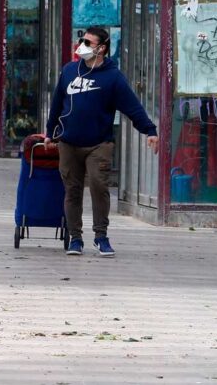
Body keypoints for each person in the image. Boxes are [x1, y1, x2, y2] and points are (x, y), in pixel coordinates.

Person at [43, 26, 158, 257]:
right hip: (68, 142)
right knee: (72, 190)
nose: (82, 45)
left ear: (102, 48)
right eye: (82, 40)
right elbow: (57, 104)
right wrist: (50, 132)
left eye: (88, 42)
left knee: (98, 185)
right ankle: (75, 238)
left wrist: (150, 130)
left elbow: (131, 106)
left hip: (99, 143)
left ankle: (101, 236)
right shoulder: (69, 71)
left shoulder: (112, 77)